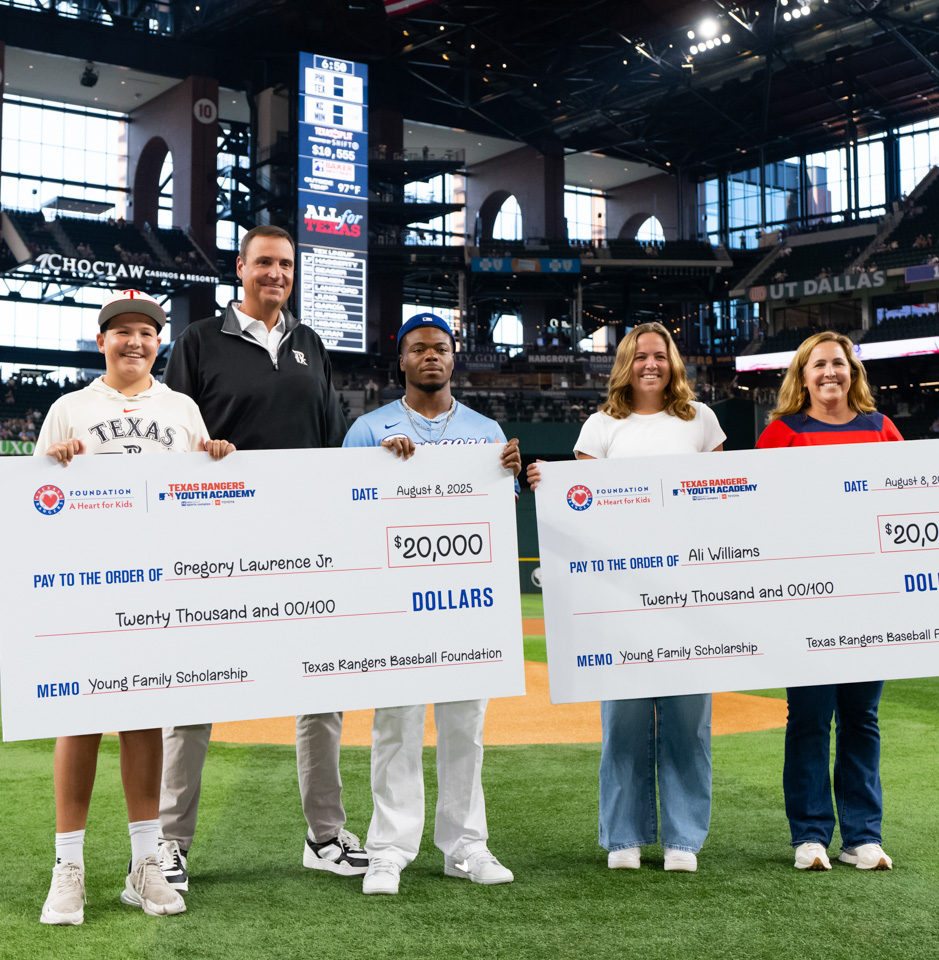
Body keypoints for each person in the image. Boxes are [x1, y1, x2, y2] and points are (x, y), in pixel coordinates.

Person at [159, 225, 367, 892]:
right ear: (241, 269)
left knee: (320, 691)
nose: (277, 274)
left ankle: (325, 836)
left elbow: (333, 444)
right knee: (195, 690)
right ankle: (170, 844)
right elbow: (173, 442)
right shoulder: (197, 342)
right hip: (217, 545)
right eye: (265, 263)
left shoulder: (311, 344)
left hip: (303, 542)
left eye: (287, 265)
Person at [36, 289, 235, 925]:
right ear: (102, 342)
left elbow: (204, 500)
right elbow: (34, 504)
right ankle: (68, 867)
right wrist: (52, 465)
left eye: (146, 332)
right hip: (85, 586)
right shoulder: (69, 408)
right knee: (81, 719)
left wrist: (218, 463)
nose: (134, 341)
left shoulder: (181, 409)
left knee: (145, 719)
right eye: (121, 331)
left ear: (159, 342)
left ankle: (145, 864)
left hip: (157, 589)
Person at [527, 321, 724, 873]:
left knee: (689, 720)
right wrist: (551, 485)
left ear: (673, 361)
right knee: (625, 722)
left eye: (659, 355)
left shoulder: (701, 420)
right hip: (620, 594)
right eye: (639, 357)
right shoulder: (601, 425)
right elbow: (583, 506)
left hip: (688, 590)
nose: (650, 364)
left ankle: (683, 838)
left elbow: (722, 500)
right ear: (625, 365)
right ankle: (623, 836)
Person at [343, 313, 520, 895]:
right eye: (418, 348)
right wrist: (376, 471)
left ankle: (466, 846)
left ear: (453, 356)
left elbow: (499, 515)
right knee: (396, 724)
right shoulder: (369, 429)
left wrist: (511, 475)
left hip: (465, 600)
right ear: (401, 360)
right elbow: (341, 511)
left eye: (440, 348)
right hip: (395, 601)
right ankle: (388, 850)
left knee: (465, 725)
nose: (430, 356)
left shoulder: (486, 431)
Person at [756, 331, 901, 872]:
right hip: (805, 601)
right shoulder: (781, 433)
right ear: (803, 375)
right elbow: (756, 513)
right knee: (810, 719)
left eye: (838, 363)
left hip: (868, 599)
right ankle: (811, 835)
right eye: (818, 365)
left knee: (861, 718)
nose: (829, 373)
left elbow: (908, 500)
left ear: (852, 372)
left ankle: (862, 837)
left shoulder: (881, 428)